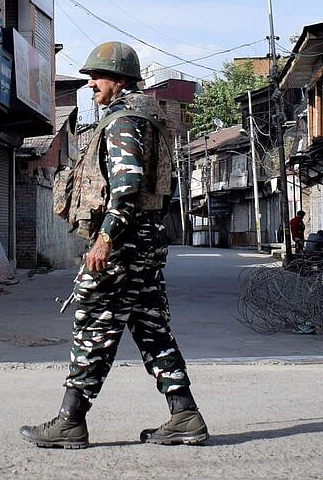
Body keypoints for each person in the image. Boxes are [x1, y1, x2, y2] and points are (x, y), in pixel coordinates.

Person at [20, 41, 208, 449]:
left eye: (97, 77)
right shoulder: (151, 119)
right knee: (152, 328)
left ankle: (70, 422)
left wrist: (105, 238)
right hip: (147, 243)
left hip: (123, 244)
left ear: (119, 80)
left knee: (93, 327)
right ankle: (185, 415)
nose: (91, 85)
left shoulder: (123, 121)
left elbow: (127, 186)